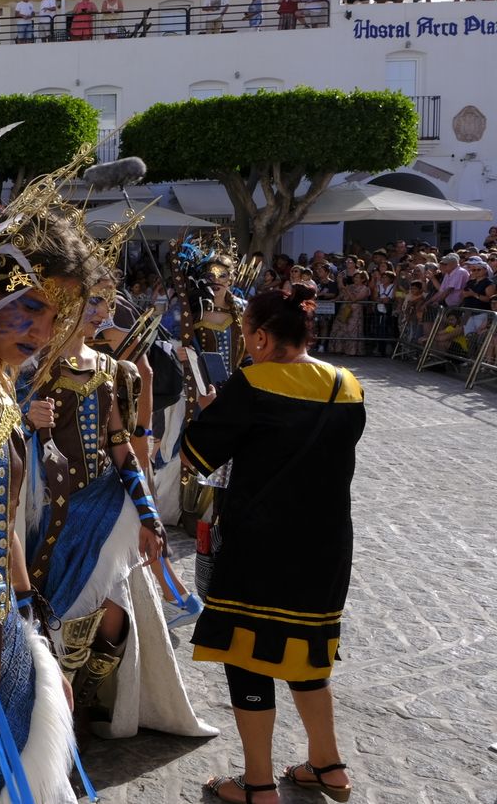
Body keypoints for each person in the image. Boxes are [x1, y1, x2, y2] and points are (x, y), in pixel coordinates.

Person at [21, 271, 218, 741]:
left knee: (113, 622)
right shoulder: (32, 368)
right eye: (91, 302)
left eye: (105, 303)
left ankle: (84, 709)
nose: (101, 313)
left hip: (107, 509)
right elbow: (0, 437)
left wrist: (149, 515)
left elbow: (120, 445)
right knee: (59, 621)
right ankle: (53, 721)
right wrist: (26, 419)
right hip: (52, 514)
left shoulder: (112, 370)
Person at [189, 286, 365, 804]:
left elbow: (197, 456)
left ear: (262, 338)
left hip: (260, 545)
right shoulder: (347, 384)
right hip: (326, 545)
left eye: (246, 334)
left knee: (248, 653)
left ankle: (258, 783)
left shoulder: (252, 383)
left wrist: (209, 409)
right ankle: (328, 766)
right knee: (307, 653)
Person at [329, 272, 368, 356]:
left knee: (352, 330)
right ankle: (338, 349)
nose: (355, 279)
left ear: (363, 279)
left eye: (358, 277)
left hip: (355, 312)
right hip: (344, 309)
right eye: (355, 277)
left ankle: (351, 351)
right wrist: (335, 299)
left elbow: (354, 299)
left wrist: (347, 290)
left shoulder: (364, 289)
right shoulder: (350, 286)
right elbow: (341, 296)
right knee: (340, 328)